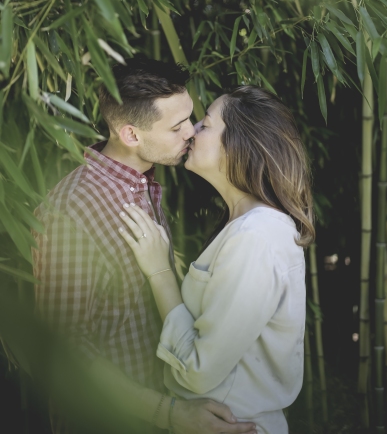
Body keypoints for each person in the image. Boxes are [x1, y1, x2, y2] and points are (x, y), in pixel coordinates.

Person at [32, 56, 256, 434]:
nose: (192, 132)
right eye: (177, 126)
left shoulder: (141, 185)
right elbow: (63, 351)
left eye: (190, 117)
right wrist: (167, 413)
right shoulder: (72, 212)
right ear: (131, 135)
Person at [117, 86, 315, 434]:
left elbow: (199, 370)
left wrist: (160, 271)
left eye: (205, 124)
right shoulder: (246, 228)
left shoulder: (256, 238)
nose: (191, 130)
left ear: (239, 144)